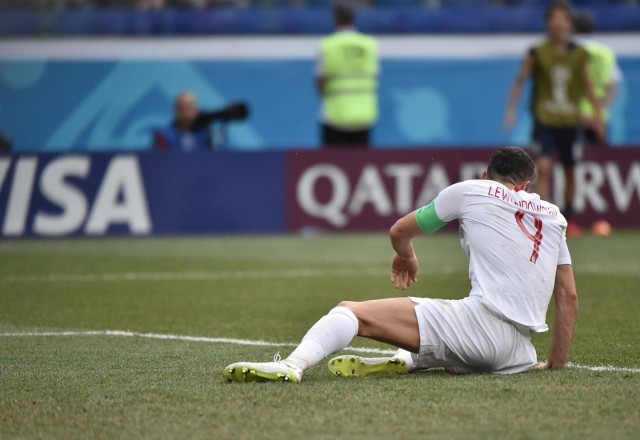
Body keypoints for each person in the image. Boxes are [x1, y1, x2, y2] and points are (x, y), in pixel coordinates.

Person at [223, 146, 579, 383]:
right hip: (519, 349)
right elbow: (568, 297)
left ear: (486, 174)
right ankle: (408, 359)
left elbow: (399, 230)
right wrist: (555, 364)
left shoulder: (471, 189)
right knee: (456, 353)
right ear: (527, 184)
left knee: (351, 311)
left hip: (482, 325)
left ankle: (292, 365)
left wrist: (405, 255)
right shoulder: (554, 216)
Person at [504, 2, 603, 237]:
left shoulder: (580, 54)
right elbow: (521, 79)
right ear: (548, 24)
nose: (558, 24)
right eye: (554, 20)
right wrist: (511, 108)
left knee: (570, 170)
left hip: (570, 121)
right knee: (544, 167)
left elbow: (588, 86)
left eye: (563, 20)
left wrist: (598, 116)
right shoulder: (537, 52)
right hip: (545, 119)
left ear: (569, 24)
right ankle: (542, 217)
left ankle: (568, 219)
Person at [316, 4, 379, 148]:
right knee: (360, 164)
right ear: (353, 18)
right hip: (364, 114)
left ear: (335, 19)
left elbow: (320, 83)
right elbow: (374, 75)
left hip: (334, 116)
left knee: (334, 161)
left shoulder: (327, 45)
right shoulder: (370, 44)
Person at [573, 10, 623, 146]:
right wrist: (600, 111)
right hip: (598, 117)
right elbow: (613, 85)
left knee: (566, 159)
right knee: (598, 155)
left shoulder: (568, 50)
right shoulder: (605, 52)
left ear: (573, 27)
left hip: (571, 115)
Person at [152, 91, 248, 151]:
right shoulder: (164, 134)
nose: (186, 112)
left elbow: (223, 155)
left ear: (197, 108)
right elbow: (161, 160)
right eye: (182, 108)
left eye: (190, 107)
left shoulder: (209, 131)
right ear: (175, 110)